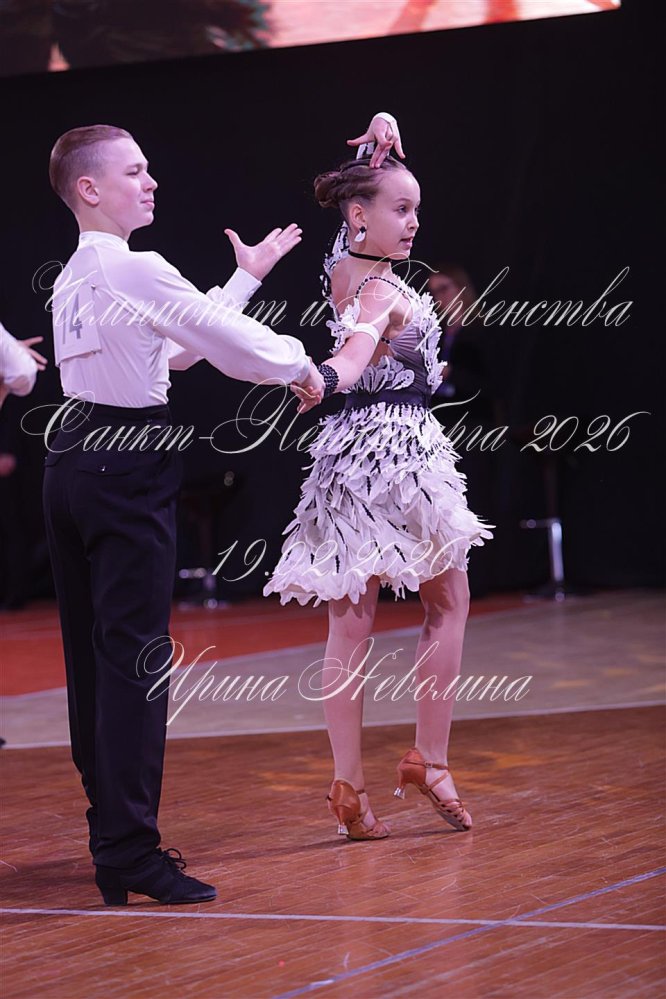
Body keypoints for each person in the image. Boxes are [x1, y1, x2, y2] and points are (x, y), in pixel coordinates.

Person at [43, 115, 394, 906]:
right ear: (90, 188)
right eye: (134, 171)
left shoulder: (76, 276)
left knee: (94, 660)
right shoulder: (131, 266)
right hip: (124, 461)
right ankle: (129, 850)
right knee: (133, 659)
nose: (151, 181)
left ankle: (113, 836)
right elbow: (223, 341)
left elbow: (172, 349)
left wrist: (244, 279)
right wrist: (309, 369)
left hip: (73, 460)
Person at [264, 136, 493, 841]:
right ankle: (431, 758)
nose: (415, 221)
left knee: (351, 621)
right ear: (361, 215)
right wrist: (325, 377)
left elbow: (354, 330)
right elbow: (356, 350)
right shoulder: (382, 291)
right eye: (401, 208)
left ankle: (349, 784)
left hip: (348, 454)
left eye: (417, 208)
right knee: (447, 601)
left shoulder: (344, 265)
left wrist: (382, 128)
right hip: (400, 449)